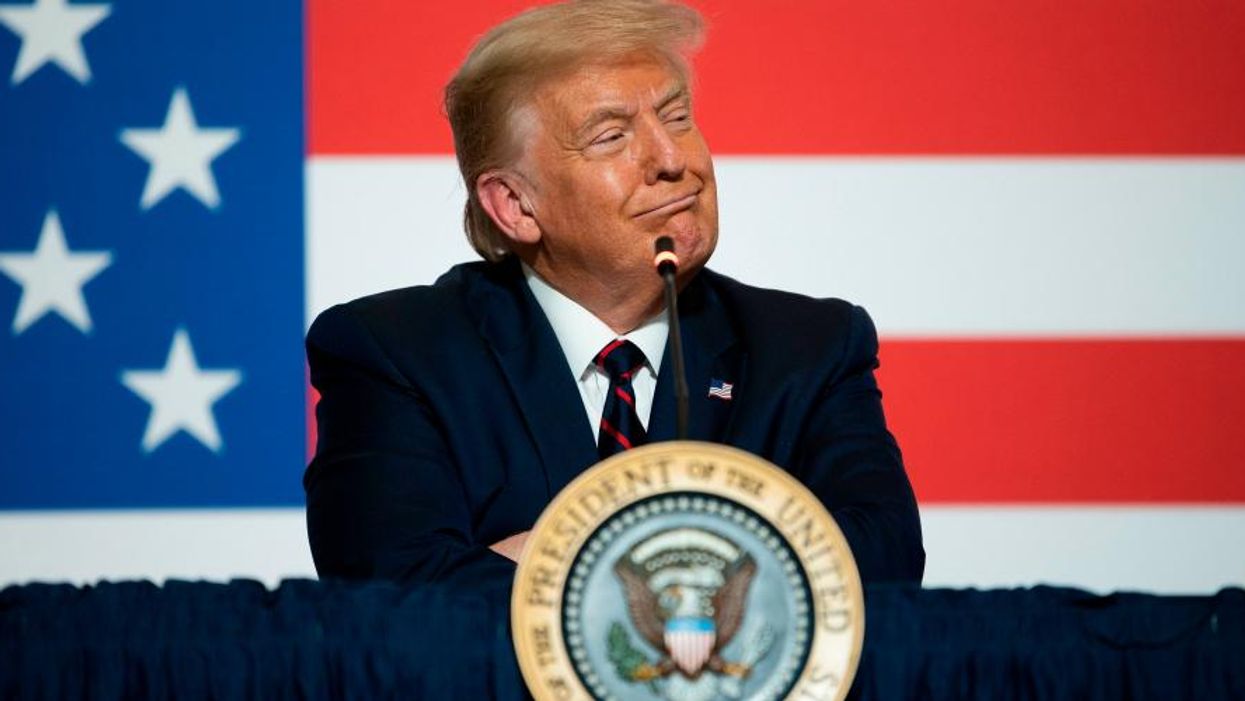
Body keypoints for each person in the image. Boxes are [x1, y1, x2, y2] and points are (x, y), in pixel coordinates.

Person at [304, 0, 924, 599]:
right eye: (611, 137)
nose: (673, 159)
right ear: (516, 205)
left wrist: (557, 549)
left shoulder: (808, 347)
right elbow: (395, 598)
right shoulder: (398, 352)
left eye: (677, 117)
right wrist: (735, 551)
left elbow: (882, 563)